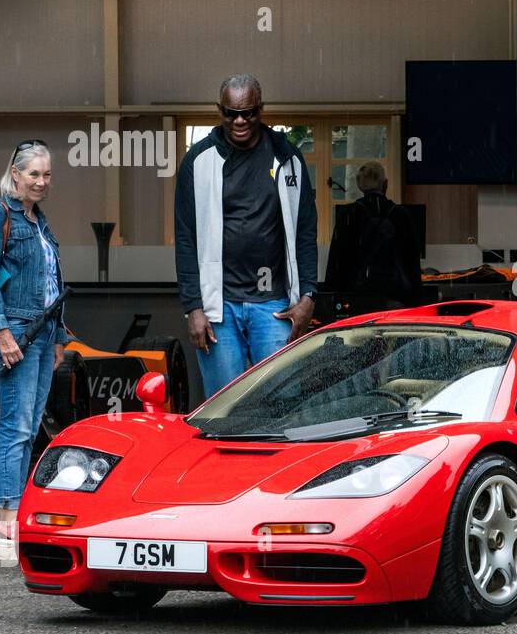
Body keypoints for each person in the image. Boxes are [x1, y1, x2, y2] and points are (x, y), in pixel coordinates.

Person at [175, 74, 317, 398]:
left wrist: (308, 295)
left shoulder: (287, 158)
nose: (240, 120)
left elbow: (305, 231)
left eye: (248, 112)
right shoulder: (197, 162)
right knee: (225, 407)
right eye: (231, 113)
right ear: (219, 110)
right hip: (217, 307)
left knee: (280, 404)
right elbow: (186, 239)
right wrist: (193, 307)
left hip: (274, 305)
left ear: (261, 110)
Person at [0, 141, 69, 545]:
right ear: (15, 174)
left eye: (46, 175)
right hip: (16, 330)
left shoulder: (39, 220)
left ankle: (16, 506)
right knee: (15, 425)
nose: (41, 182)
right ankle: (8, 515)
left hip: (44, 333)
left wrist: (60, 335)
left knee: (31, 427)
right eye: (34, 174)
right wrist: (2, 331)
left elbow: (51, 284)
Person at [323, 160, 422, 309]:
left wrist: (331, 298)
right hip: (395, 297)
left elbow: (337, 260)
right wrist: (416, 300)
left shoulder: (349, 213)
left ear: (359, 185)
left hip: (357, 297)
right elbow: (412, 260)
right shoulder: (401, 215)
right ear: (385, 184)